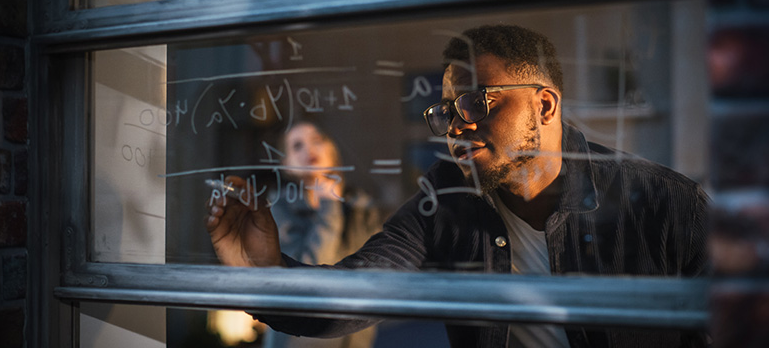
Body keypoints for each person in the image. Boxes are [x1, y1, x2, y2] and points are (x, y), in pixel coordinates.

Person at [206, 25, 709, 348]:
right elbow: (353, 296)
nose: (456, 126)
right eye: (446, 112)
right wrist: (264, 272)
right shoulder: (443, 201)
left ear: (545, 107)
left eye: (475, 103)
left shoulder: (666, 202)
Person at [264, 121, 382, 348]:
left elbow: (372, 283)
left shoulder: (360, 207)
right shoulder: (279, 210)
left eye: (317, 140)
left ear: (331, 149)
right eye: (297, 145)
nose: (310, 149)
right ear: (286, 164)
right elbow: (310, 278)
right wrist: (328, 208)